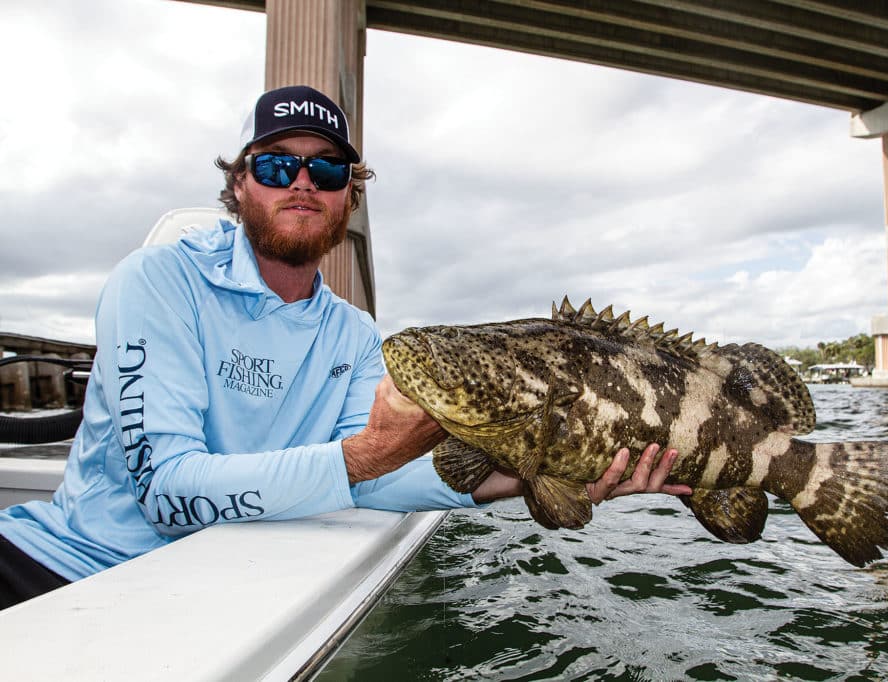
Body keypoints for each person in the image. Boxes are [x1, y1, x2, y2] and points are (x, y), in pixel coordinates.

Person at [0, 85, 691, 611]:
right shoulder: (157, 281)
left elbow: (377, 478)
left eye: (328, 171)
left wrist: (526, 474)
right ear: (238, 184)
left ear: (348, 198)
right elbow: (167, 494)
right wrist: (364, 455)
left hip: (225, 589)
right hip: (68, 569)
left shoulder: (356, 334)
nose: (303, 182)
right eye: (276, 165)